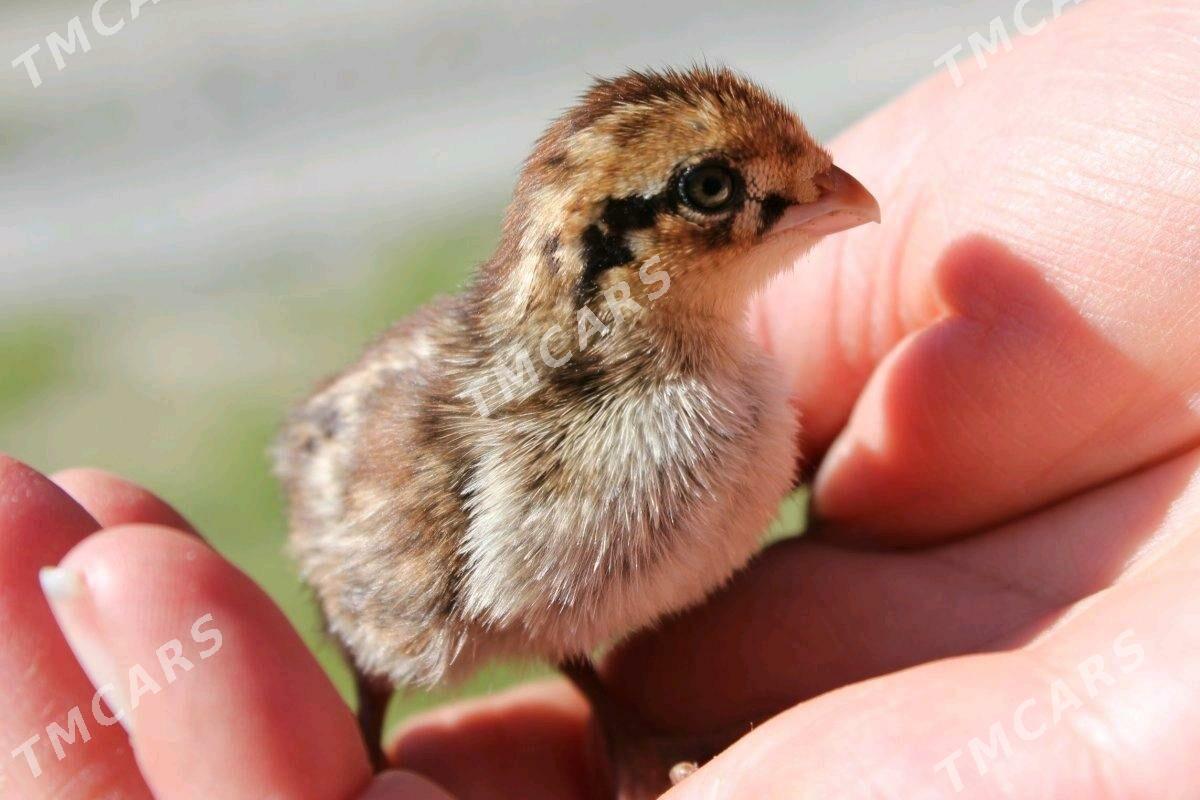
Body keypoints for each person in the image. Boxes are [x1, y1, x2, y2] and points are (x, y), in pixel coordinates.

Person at [2, 0, 1198, 796]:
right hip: (426, 519)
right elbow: (361, 514)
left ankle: (611, 711)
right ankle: (372, 741)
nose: (824, 195)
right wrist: (371, 698)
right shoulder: (472, 448)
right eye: (727, 190)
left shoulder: (733, 391)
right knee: (411, 628)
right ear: (609, 256)